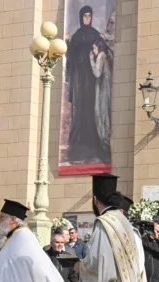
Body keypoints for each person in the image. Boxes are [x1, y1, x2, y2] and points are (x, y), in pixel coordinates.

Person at [63, 5, 108, 164]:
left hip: (91, 78)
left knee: (91, 108)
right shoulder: (76, 36)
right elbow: (70, 56)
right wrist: (67, 41)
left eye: (89, 16)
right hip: (79, 79)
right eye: (85, 16)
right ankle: (78, 146)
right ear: (81, 17)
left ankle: (93, 145)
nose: (87, 18)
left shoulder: (95, 34)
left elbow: (102, 51)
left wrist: (102, 41)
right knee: (80, 108)